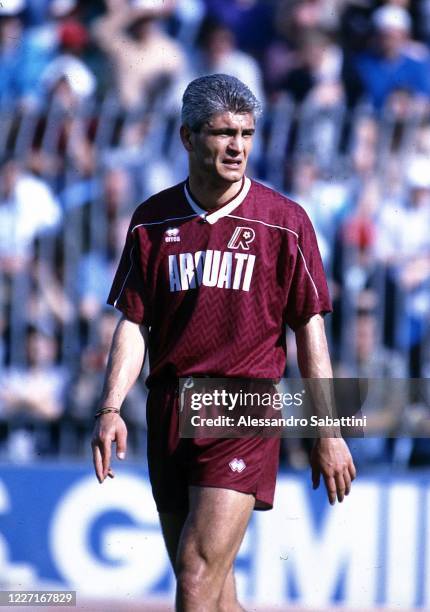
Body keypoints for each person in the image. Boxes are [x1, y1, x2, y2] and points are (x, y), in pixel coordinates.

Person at [91, 74, 356, 612]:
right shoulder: (152, 220)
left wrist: (328, 431)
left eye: (247, 133)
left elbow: (310, 331)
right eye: (222, 133)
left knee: (194, 577)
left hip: (242, 403)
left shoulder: (284, 223)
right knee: (213, 592)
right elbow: (134, 324)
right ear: (188, 138)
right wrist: (111, 405)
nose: (237, 146)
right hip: (169, 405)